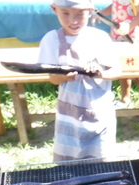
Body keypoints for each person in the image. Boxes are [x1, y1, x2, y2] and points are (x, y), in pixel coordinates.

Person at [39, 0, 122, 162]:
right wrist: (65, 75)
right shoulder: (52, 40)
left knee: (102, 162)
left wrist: (100, 73)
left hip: (100, 113)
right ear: (54, 10)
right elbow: (53, 79)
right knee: (70, 164)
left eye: (80, 14)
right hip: (69, 116)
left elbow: (117, 71)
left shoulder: (99, 38)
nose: (73, 20)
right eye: (65, 13)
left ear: (90, 11)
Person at [97, 0, 139, 108]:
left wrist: (129, 26)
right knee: (120, 66)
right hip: (117, 35)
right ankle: (125, 98)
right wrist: (102, 13)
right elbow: (114, 5)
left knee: (138, 73)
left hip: (132, 37)